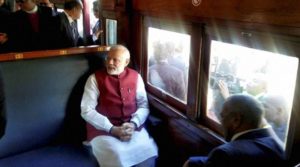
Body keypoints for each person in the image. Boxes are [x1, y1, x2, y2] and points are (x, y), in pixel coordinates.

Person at [81, 45, 158, 167]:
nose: (109, 62)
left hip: (131, 127)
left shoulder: (136, 77)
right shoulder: (94, 79)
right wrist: (111, 129)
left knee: (148, 150)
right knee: (116, 154)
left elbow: (143, 105)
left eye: (115, 60)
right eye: (108, 58)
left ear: (126, 62)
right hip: (102, 130)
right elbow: (86, 110)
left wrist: (133, 124)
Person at [183, 94, 285, 167]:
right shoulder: (278, 144)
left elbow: (231, 158)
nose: (220, 121)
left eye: (222, 116)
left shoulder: (225, 154)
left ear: (236, 120)